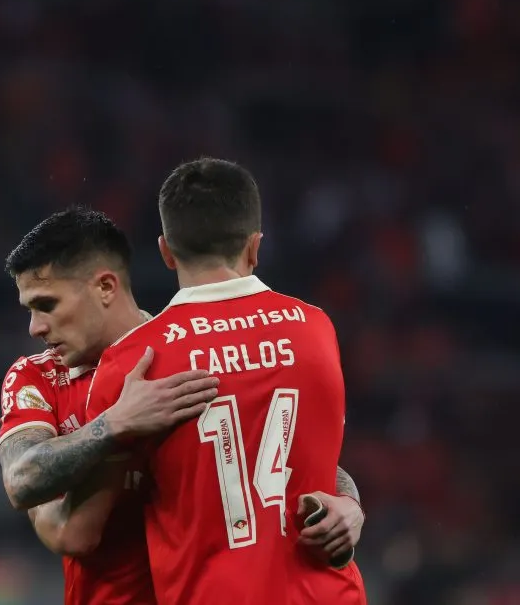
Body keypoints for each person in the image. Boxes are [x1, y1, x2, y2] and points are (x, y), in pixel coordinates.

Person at [0, 206, 364, 605]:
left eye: (46, 305)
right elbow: (22, 480)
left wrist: (349, 502)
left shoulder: (186, 358)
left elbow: (275, 446)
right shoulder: (36, 377)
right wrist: (114, 423)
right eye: (29, 310)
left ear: (105, 287)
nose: (35, 328)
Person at [85, 158, 367, 605]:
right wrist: (352, 505)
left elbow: (89, 528)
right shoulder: (316, 330)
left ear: (165, 251)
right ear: (255, 247)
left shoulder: (130, 364)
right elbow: (312, 461)